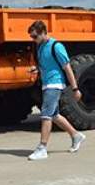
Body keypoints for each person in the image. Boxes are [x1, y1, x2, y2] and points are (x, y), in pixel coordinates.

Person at [26, 20, 85, 161]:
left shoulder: (56, 46)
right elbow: (47, 65)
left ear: (43, 33)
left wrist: (75, 88)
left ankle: (42, 148)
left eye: (35, 37)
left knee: (46, 115)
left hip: (55, 84)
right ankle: (76, 135)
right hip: (46, 84)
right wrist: (37, 69)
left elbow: (67, 68)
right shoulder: (40, 47)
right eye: (32, 37)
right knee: (54, 115)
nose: (33, 40)